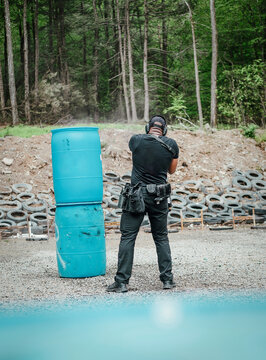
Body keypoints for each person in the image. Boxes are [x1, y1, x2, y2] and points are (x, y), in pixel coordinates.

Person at [107, 115, 179, 293]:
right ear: (165, 130)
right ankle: (167, 280)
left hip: (137, 195)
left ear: (148, 128)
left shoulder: (136, 140)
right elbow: (172, 170)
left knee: (128, 237)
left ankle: (122, 282)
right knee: (161, 237)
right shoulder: (172, 145)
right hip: (160, 197)